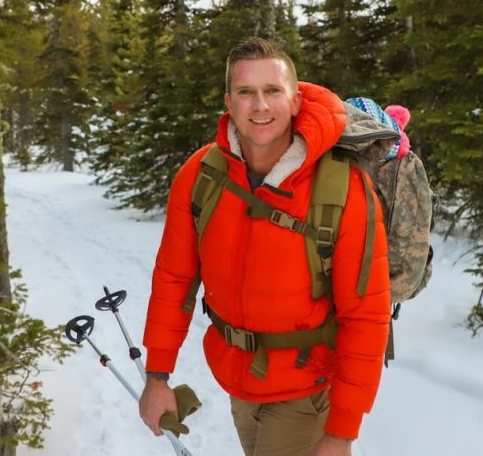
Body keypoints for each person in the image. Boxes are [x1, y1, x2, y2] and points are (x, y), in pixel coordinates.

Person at [139, 37, 391, 456]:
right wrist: (157, 376)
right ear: (229, 102)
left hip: (306, 389)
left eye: (272, 91)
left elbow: (366, 315)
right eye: (246, 92)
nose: (260, 106)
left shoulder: (341, 187)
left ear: (294, 101)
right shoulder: (200, 175)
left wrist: (341, 432)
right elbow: (174, 278)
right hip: (240, 381)